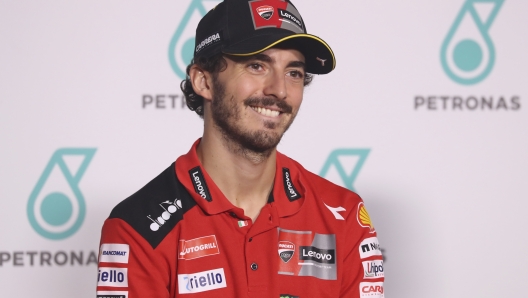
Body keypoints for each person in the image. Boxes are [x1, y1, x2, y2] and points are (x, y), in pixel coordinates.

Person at [96, 0, 384, 297]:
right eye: (257, 66)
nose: (280, 90)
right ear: (204, 81)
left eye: (294, 72)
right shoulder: (137, 228)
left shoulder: (344, 215)